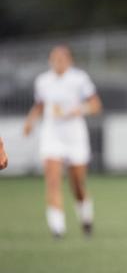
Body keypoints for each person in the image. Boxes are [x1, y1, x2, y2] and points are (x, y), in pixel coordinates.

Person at [23, 45, 102, 238]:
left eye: (61, 59)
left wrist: (79, 110)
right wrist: (30, 121)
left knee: (77, 183)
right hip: (52, 135)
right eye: (54, 59)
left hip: (75, 136)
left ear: (69, 61)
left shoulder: (79, 79)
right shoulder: (43, 81)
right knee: (52, 180)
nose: (57, 62)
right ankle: (57, 228)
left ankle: (85, 217)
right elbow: (40, 105)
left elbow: (95, 105)